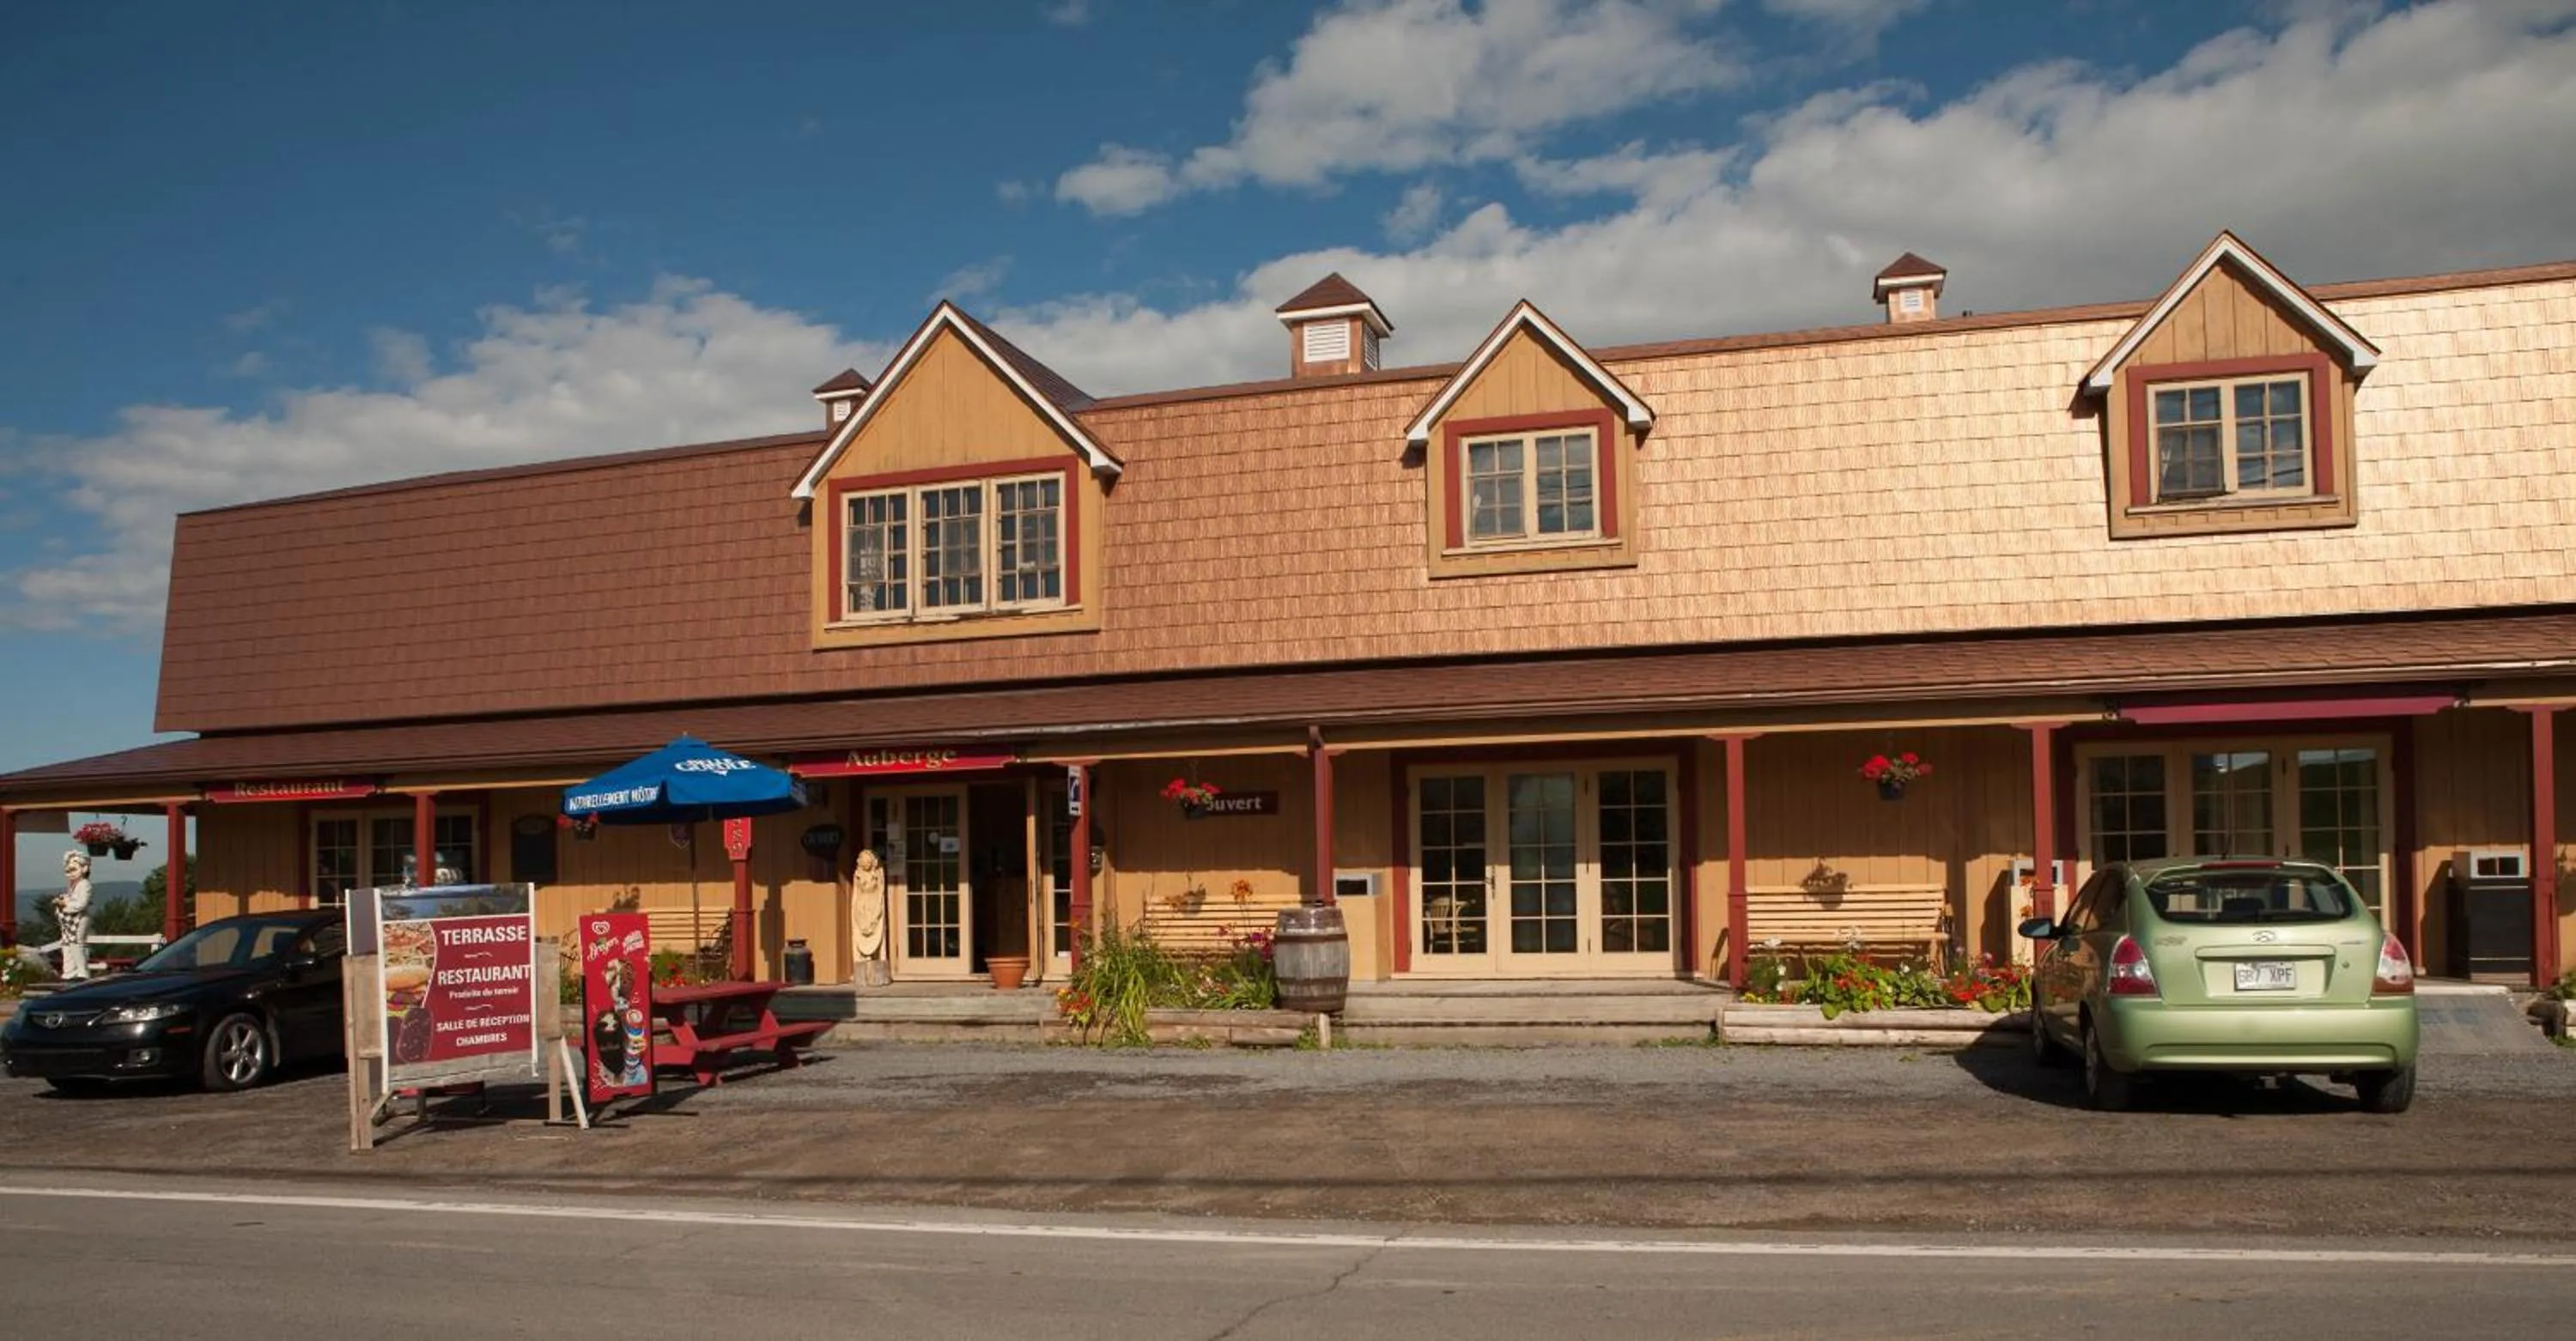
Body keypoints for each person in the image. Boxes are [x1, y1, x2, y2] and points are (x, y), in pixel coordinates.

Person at [54, 850, 95, 981]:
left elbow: (82, 903)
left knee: (77, 943)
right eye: (68, 870)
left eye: (73, 869)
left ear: (84, 869)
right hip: (70, 919)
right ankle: (69, 971)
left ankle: (82, 972)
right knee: (67, 943)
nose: (70, 873)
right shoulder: (73, 885)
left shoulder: (85, 884)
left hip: (80, 918)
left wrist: (66, 903)